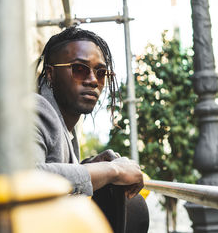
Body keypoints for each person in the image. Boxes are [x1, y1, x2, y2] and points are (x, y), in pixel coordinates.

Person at [34, 26, 148, 232]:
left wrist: (90, 165)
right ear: (50, 74)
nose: (93, 80)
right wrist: (113, 170)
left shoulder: (66, 124)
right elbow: (26, 178)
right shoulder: (33, 108)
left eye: (101, 72)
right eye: (79, 68)